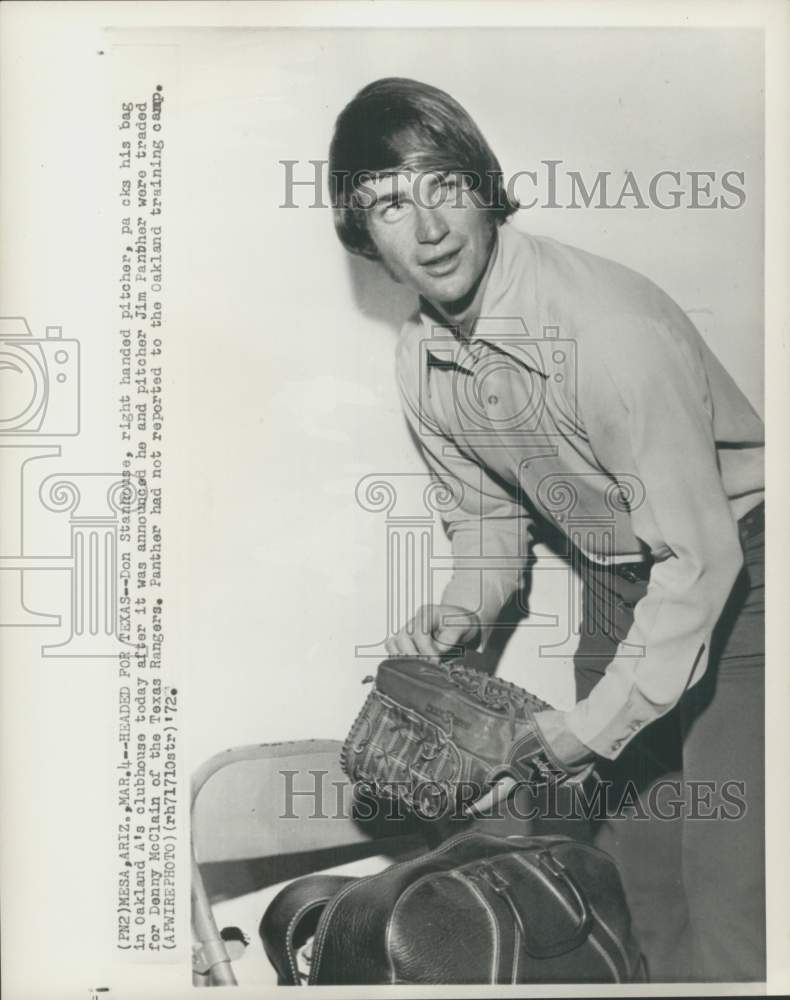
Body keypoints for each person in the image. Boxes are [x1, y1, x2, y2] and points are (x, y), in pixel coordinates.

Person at [328, 77, 765, 982]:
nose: (429, 228)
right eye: (389, 205)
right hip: (615, 581)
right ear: (363, 235)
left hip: (746, 580)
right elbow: (491, 518)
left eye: (444, 185)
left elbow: (701, 560)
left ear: (484, 189)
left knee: (731, 895)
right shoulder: (423, 356)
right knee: (640, 887)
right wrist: (463, 612)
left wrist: (587, 730)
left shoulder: (608, 331)